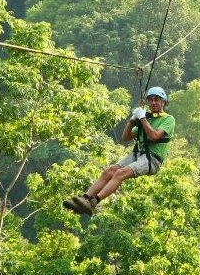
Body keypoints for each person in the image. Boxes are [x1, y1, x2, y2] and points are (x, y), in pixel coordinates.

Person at [64, 86, 175, 215]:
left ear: (163, 102)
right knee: (109, 171)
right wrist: (132, 121)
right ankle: (85, 199)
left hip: (152, 160)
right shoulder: (147, 119)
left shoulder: (168, 119)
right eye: (151, 100)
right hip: (138, 154)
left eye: (157, 100)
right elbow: (125, 137)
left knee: (120, 173)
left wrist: (142, 118)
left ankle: (93, 202)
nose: (153, 103)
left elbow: (154, 136)